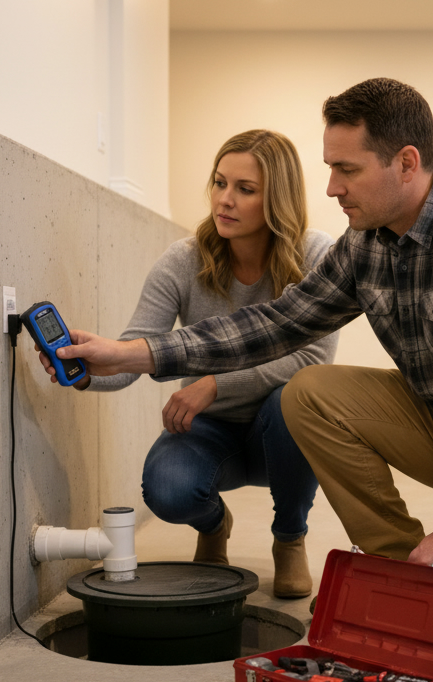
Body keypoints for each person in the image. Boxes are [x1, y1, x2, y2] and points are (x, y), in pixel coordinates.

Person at [40, 79, 433, 661]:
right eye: (330, 167)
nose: (332, 188)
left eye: (347, 169)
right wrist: (135, 354)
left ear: (407, 164)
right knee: (309, 393)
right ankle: (402, 570)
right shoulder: (366, 243)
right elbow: (278, 325)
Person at [83, 129, 337, 599]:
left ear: (277, 199)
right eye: (220, 183)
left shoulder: (315, 254)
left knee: (297, 399)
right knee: (167, 490)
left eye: (244, 189)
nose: (224, 200)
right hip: (208, 429)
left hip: (279, 430)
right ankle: (215, 526)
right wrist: (82, 369)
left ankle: (289, 538)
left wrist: (215, 384)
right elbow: (135, 351)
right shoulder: (183, 260)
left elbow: (313, 356)